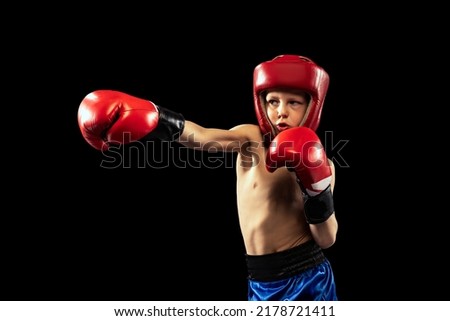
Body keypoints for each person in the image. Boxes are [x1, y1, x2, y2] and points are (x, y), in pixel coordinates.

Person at [77, 54, 338, 301]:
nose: (281, 111)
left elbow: (327, 238)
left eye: (294, 102)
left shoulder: (322, 162)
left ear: (311, 106)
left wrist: (317, 191)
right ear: (262, 103)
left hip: (308, 277)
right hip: (260, 279)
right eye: (273, 101)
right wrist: (155, 117)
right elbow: (202, 137)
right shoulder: (250, 139)